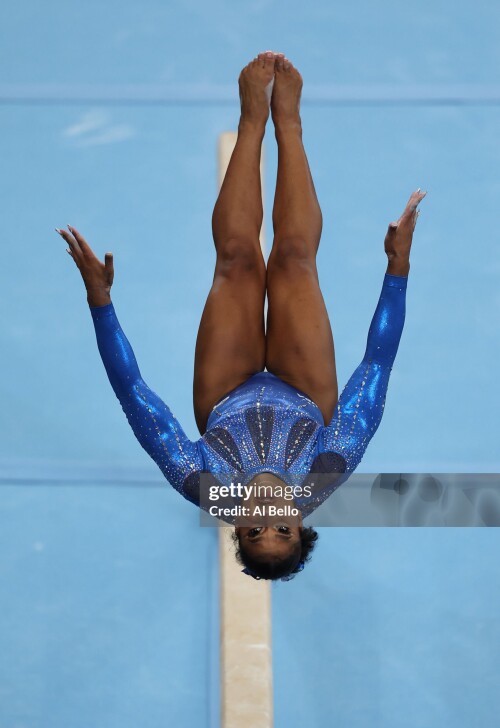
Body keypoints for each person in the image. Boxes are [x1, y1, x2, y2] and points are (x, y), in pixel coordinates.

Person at [56, 51, 425, 582]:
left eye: (255, 531)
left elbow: (133, 392)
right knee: (294, 260)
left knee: (237, 260)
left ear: (234, 525)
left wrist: (100, 301)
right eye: (284, 529)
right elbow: (377, 366)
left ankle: (252, 120)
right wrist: (398, 266)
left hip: (225, 392)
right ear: (303, 522)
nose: (269, 518)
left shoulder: (203, 483)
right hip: (305, 391)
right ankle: (289, 124)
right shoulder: (327, 469)